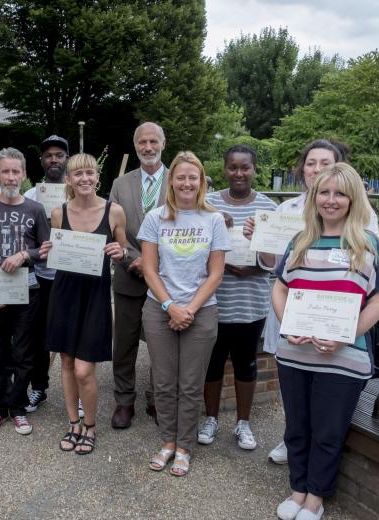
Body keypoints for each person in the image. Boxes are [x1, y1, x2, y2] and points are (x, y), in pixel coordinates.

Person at [243, 139, 379, 465]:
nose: (316, 169)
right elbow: (271, 265)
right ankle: (293, 439)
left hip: (334, 317)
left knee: (326, 388)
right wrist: (258, 240)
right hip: (291, 312)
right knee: (292, 380)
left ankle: (319, 451)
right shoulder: (286, 209)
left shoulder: (360, 213)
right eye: (310, 163)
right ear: (301, 168)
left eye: (324, 163)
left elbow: (369, 263)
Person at [272, 163, 379, 520]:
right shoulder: (300, 241)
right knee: (298, 427)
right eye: (324, 192)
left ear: (353, 198)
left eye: (340, 193)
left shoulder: (366, 245)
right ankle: (297, 490)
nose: (331, 200)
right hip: (295, 354)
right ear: (314, 196)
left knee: (328, 430)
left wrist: (347, 334)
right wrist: (285, 322)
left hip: (343, 359)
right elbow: (279, 286)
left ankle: (315, 498)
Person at [138, 151, 230, 477]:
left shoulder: (213, 219)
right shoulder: (155, 218)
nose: (187, 182)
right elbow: (149, 269)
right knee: (163, 383)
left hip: (201, 311)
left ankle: (184, 446)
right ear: (171, 181)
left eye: (193, 177)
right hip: (159, 308)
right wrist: (169, 306)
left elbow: (216, 273)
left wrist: (188, 309)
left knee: (190, 385)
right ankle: (166, 441)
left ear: (201, 181)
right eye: (181, 177)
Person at [198, 145, 278, 450]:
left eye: (245, 167)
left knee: (246, 362)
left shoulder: (268, 208)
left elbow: (276, 260)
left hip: (252, 298)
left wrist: (257, 253)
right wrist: (221, 252)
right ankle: (211, 419)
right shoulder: (209, 203)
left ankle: (243, 423)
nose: (239, 173)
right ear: (224, 169)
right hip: (215, 299)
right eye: (233, 167)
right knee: (213, 362)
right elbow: (195, 252)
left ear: (255, 169)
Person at [48, 153, 127, 455]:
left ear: (97, 177)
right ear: (68, 179)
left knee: (84, 370)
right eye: (77, 174)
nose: (84, 179)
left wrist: (120, 253)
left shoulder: (114, 211)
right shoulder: (58, 213)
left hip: (95, 296)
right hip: (65, 294)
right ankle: (73, 423)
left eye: (89, 173)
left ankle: (91, 426)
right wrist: (47, 249)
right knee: (67, 363)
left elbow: (125, 248)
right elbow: (56, 252)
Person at [0, 147, 51, 434]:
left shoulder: (35, 209)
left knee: (24, 354)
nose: (11, 176)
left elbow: (45, 251)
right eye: (5, 171)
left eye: (16, 171)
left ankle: (17, 408)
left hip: (26, 291)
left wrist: (25, 255)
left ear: (25, 174)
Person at [108, 122, 168, 429]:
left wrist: (156, 264)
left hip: (169, 279)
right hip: (129, 274)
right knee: (125, 343)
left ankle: (158, 399)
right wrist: (136, 260)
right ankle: (124, 400)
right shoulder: (121, 183)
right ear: (135, 146)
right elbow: (115, 228)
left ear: (162, 144)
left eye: (153, 141)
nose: (148, 147)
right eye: (142, 142)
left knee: (163, 344)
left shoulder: (179, 180)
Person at [23, 134, 69, 413]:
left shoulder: (77, 191)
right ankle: (38, 388)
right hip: (39, 276)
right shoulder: (30, 196)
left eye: (59, 155)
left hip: (70, 276)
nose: (54, 159)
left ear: (67, 160)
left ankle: (74, 393)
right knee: (37, 337)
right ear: (41, 161)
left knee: (70, 334)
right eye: (48, 155)